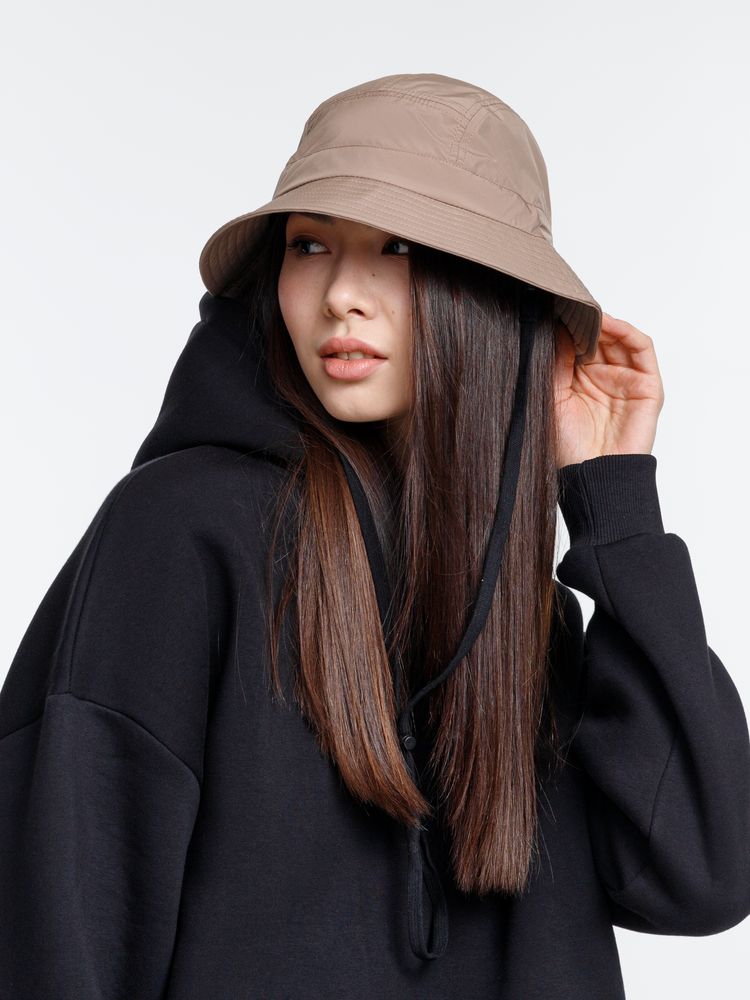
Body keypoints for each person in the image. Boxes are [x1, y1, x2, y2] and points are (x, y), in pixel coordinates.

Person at [1, 71, 749, 999]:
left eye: (397, 247)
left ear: (496, 295)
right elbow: (64, 930)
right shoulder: (181, 533)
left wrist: (615, 501)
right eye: (309, 245)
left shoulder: (523, 614)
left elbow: (699, 881)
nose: (341, 294)